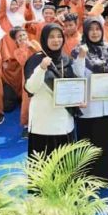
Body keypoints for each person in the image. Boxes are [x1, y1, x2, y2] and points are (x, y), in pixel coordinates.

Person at [24, 24, 87, 158]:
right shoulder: (35, 60)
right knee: (44, 166)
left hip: (64, 123)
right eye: (51, 37)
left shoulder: (66, 59)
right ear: (44, 39)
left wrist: (78, 100)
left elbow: (73, 85)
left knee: (66, 164)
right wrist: (41, 68)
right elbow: (30, 88)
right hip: (43, 124)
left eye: (59, 36)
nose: (56, 40)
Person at [76, 17, 108, 184]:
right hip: (89, 106)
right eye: (91, 29)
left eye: (97, 29)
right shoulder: (79, 49)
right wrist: (81, 57)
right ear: (85, 31)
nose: (95, 33)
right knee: (89, 142)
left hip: (107, 104)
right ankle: (89, 178)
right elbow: (77, 75)